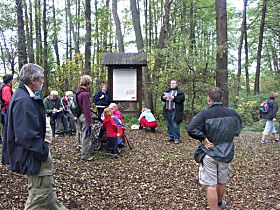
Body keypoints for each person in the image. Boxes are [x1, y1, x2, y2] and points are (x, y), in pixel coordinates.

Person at [1, 63, 66, 210]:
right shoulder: (23, 100)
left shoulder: (24, 96)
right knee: (38, 197)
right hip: (35, 156)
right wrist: (43, 152)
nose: (43, 81)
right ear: (33, 79)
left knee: (48, 194)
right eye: (42, 78)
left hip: (36, 155)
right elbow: (26, 135)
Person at [186, 87, 242, 210]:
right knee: (221, 182)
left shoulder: (204, 113)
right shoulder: (232, 113)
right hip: (226, 152)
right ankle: (219, 203)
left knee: (211, 185)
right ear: (222, 98)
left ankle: (215, 207)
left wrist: (204, 139)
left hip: (210, 151)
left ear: (209, 99)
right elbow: (237, 130)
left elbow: (190, 128)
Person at [76, 75, 94, 161]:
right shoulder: (85, 94)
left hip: (79, 115)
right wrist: (90, 121)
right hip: (84, 116)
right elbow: (86, 109)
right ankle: (85, 156)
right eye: (90, 82)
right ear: (88, 83)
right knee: (86, 136)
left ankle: (82, 150)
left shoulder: (78, 92)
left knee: (81, 134)